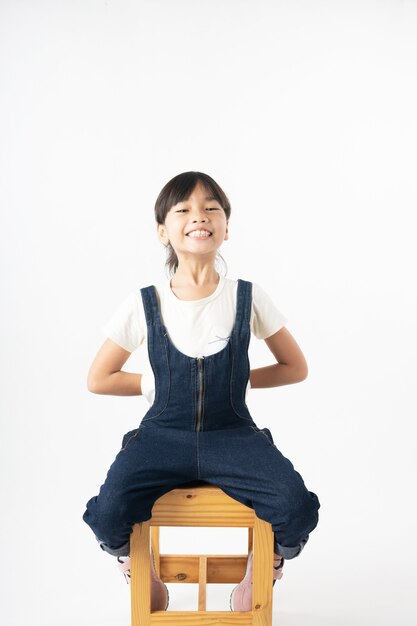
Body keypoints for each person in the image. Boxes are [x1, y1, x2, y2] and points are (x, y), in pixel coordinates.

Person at [82, 171, 320, 612]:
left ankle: (265, 566)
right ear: (163, 230)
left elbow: (295, 367)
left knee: (296, 508)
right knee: (110, 511)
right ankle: (135, 564)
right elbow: (99, 378)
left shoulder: (247, 297)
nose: (200, 216)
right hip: (161, 438)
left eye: (212, 208)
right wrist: (154, 383)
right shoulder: (144, 303)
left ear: (227, 228)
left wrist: (238, 377)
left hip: (231, 434)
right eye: (184, 209)